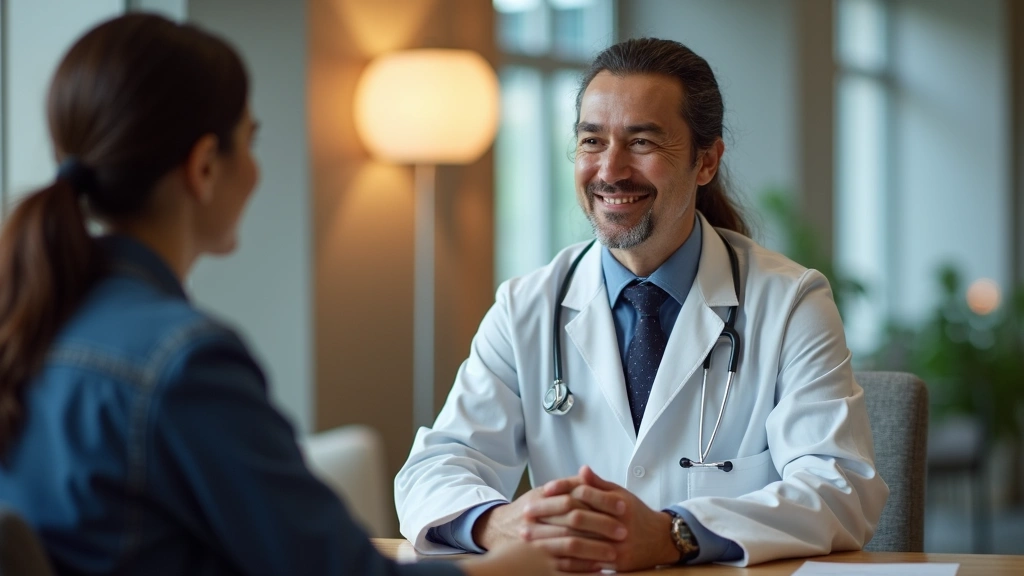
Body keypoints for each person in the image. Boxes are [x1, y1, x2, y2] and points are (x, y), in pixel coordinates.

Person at [0, 14, 554, 576]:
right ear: (204, 167)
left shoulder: (28, 324)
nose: (257, 169)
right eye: (250, 140)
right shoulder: (184, 362)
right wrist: (520, 566)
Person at [395, 37, 889, 571]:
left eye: (642, 142)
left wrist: (673, 534)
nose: (610, 169)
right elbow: (434, 467)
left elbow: (841, 488)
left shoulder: (791, 302)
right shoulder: (527, 306)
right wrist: (500, 522)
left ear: (706, 161)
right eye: (591, 141)